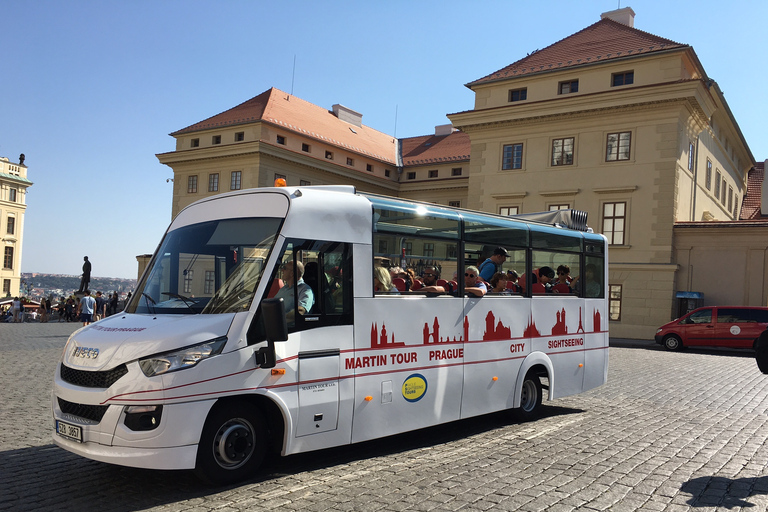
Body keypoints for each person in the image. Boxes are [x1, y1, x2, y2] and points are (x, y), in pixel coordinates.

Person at [274, 260, 314, 325]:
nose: (282, 270)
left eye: (284, 268)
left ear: (292, 273)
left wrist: (280, 319)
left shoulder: (305, 290)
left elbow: (301, 311)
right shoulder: (283, 289)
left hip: (292, 329)